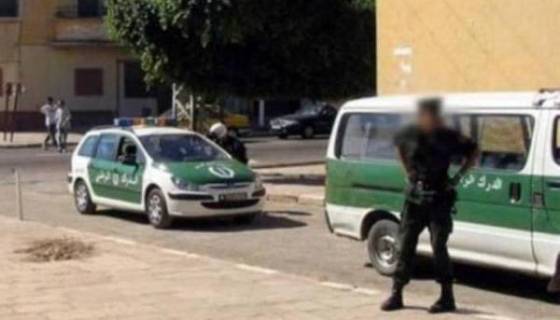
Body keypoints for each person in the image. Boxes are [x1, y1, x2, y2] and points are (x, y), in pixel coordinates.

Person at [381, 97, 479, 314]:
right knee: (405, 244)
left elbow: (474, 150)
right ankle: (397, 294)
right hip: (415, 198)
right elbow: (399, 146)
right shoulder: (411, 133)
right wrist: (407, 173)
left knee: (439, 247)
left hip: (438, 198)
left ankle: (447, 297)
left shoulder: (448, 136)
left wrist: (458, 177)